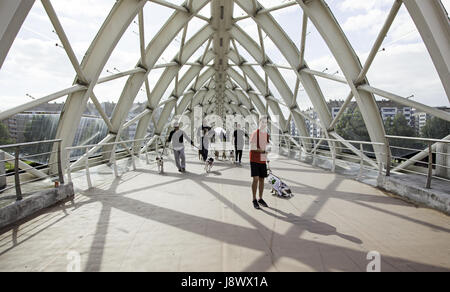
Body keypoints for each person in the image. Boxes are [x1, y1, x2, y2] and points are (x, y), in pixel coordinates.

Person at [249, 116, 270, 210]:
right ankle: (254, 199)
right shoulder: (255, 133)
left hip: (262, 159)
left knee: (262, 179)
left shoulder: (266, 135)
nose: (264, 124)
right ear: (259, 122)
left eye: (266, 122)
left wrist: (266, 155)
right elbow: (252, 148)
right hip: (254, 159)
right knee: (256, 179)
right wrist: (262, 151)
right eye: (263, 122)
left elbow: (266, 146)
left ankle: (260, 198)